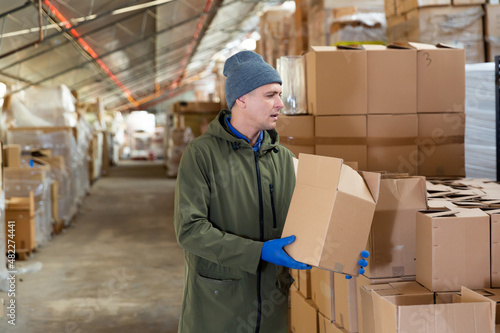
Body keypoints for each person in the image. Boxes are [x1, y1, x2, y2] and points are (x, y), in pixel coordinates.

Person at [174, 51, 366, 333]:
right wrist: (259, 251)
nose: (280, 104)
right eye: (270, 95)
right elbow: (189, 230)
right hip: (219, 307)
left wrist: (340, 252)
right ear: (241, 99)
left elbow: (302, 226)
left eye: (279, 94)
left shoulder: (283, 159)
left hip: (272, 310)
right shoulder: (202, 154)